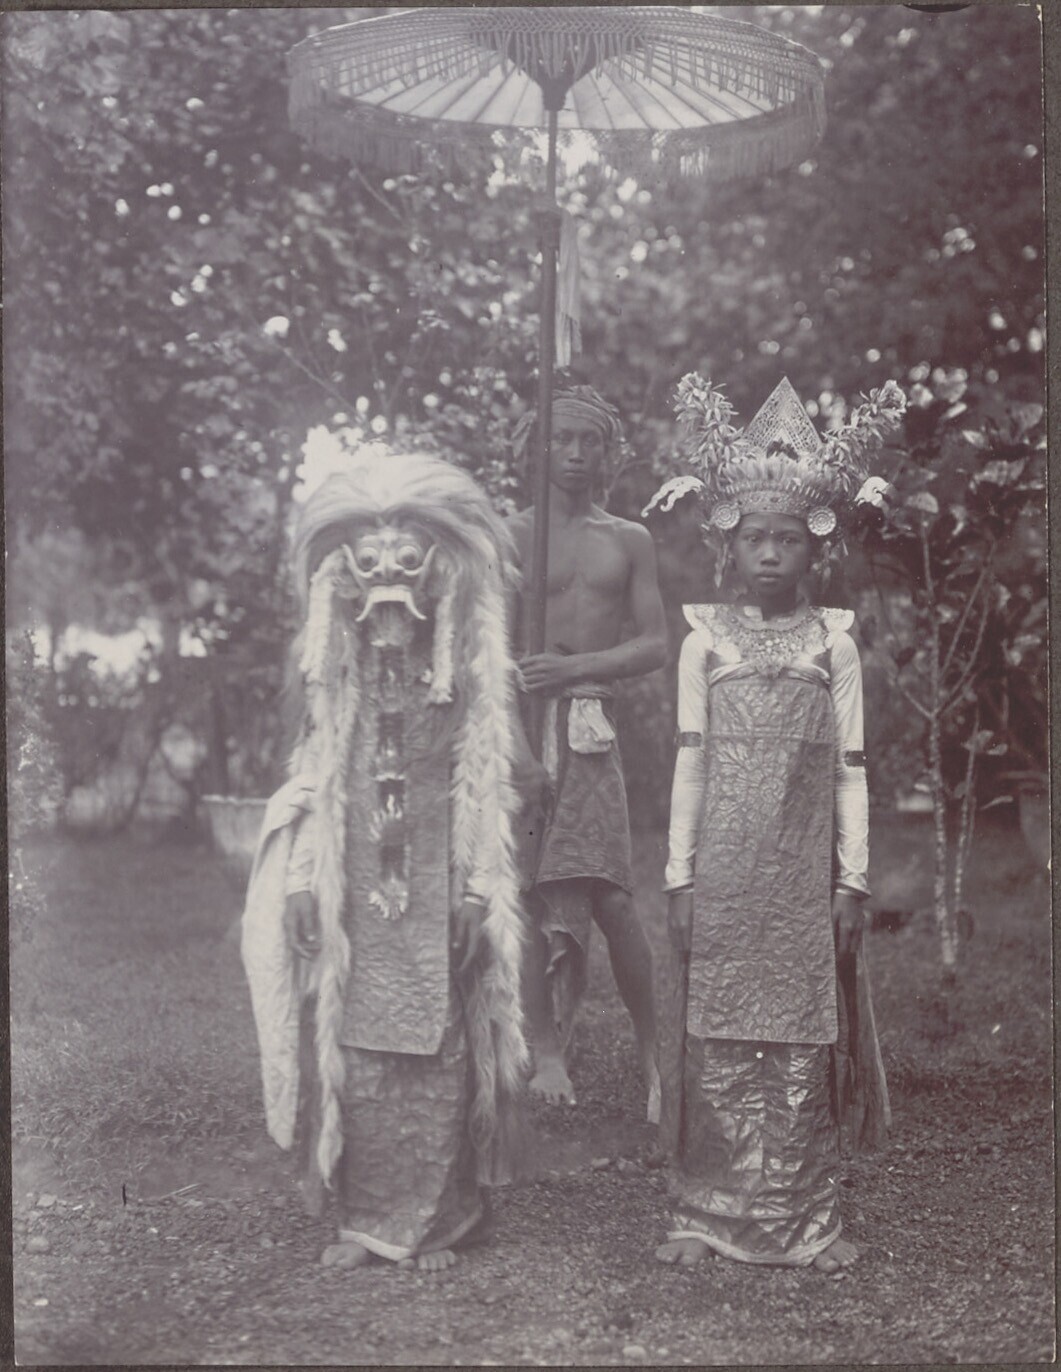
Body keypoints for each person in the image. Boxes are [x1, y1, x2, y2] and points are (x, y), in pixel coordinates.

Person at [241, 452, 530, 1272]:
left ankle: (438, 1222)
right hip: (356, 892)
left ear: (436, 574)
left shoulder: (462, 674)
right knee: (357, 1038)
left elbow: (484, 784)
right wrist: (303, 880)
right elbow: (314, 778)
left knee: (439, 1037)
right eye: (370, 564)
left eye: (407, 562)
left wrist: (478, 892)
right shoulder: (337, 674)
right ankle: (366, 1217)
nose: (390, 587)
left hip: (440, 884)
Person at [644, 374, 902, 1272]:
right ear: (728, 542)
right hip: (720, 869)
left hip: (801, 873)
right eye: (754, 537)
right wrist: (679, 877)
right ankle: (705, 1211)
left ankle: (805, 1220)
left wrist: (852, 880)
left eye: (786, 539)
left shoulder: (833, 643)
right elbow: (690, 761)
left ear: (813, 547)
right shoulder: (702, 641)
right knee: (716, 1028)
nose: (768, 554)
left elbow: (850, 771)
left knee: (797, 1035)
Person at [508, 386, 668, 1118]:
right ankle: (545, 1052)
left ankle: (653, 1051)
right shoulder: (509, 536)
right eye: (561, 439)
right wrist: (515, 752)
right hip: (522, 727)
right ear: (536, 448)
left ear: (608, 452)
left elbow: (655, 644)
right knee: (526, 895)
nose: (574, 454)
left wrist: (575, 668)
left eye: (589, 441)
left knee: (612, 897)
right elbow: (487, 650)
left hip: (590, 727)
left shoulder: (628, 539)